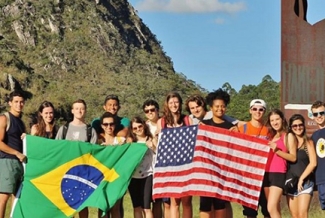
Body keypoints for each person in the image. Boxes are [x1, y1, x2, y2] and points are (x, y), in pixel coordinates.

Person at [55, 99, 97, 218]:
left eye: (82, 108)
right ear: (72, 111)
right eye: (77, 108)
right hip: (66, 172)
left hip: (82, 172)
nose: (79, 111)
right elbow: (57, 149)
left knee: (82, 204)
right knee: (67, 204)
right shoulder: (64, 129)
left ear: (85, 111)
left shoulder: (90, 130)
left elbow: (93, 153)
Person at [200, 88, 237, 218]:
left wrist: (236, 135)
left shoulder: (230, 127)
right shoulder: (203, 125)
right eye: (217, 106)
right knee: (205, 203)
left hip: (222, 172)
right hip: (206, 172)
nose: (220, 109)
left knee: (220, 203)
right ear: (211, 107)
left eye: (223, 106)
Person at [157, 92, 192, 218]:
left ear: (180, 103)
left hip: (186, 165)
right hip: (170, 166)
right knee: (174, 201)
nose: (174, 105)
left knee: (187, 202)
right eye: (171, 103)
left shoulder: (187, 119)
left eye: (176, 102)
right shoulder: (162, 122)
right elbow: (158, 143)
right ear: (167, 105)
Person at [238, 99, 270, 218]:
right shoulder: (243, 129)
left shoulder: (268, 130)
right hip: (248, 176)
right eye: (254, 109)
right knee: (250, 212)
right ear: (250, 111)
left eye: (261, 109)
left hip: (264, 175)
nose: (257, 112)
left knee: (267, 209)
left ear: (264, 111)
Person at [264, 109, 297, 218]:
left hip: (278, 174)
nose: (275, 122)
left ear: (282, 120)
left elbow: (293, 157)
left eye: (277, 119)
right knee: (273, 209)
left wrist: (277, 150)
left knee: (271, 207)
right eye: (272, 120)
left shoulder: (288, 136)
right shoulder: (271, 136)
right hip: (266, 173)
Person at [0, 90, 26, 218]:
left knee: (17, 198)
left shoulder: (21, 122)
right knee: (4, 196)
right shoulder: (4, 118)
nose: (19, 104)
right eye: (16, 102)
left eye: (21, 102)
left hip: (19, 164)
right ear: (10, 103)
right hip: (7, 162)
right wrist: (16, 153)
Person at [286, 114, 317, 218]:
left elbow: (313, 163)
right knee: (295, 216)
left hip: (306, 182)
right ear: (290, 127)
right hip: (291, 183)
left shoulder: (308, 142)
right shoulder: (288, 141)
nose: (298, 128)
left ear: (304, 126)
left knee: (302, 215)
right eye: (295, 126)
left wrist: (302, 179)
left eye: (300, 125)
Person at [127, 116, 157, 218]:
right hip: (133, 177)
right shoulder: (131, 142)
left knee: (146, 207)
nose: (138, 129)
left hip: (148, 175)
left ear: (144, 125)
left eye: (140, 126)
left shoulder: (151, 139)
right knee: (137, 207)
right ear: (132, 130)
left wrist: (152, 146)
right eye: (135, 128)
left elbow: (158, 153)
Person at [97, 112, 125, 218]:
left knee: (115, 208)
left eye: (111, 124)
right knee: (102, 207)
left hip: (116, 179)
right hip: (101, 178)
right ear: (101, 126)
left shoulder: (121, 141)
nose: (109, 127)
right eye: (106, 124)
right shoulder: (98, 142)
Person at [142, 99, 162, 218]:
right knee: (147, 203)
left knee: (159, 202)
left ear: (157, 110)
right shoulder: (144, 127)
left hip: (163, 168)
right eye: (147, 111)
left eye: (152, 110)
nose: (150, 112)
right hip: (148, 169)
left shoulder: (165, 124)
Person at [310, 100, 325, 210]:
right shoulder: (314, 136)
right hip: (321, 179)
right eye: (315, 114)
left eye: (321, 113)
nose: (319, 116)